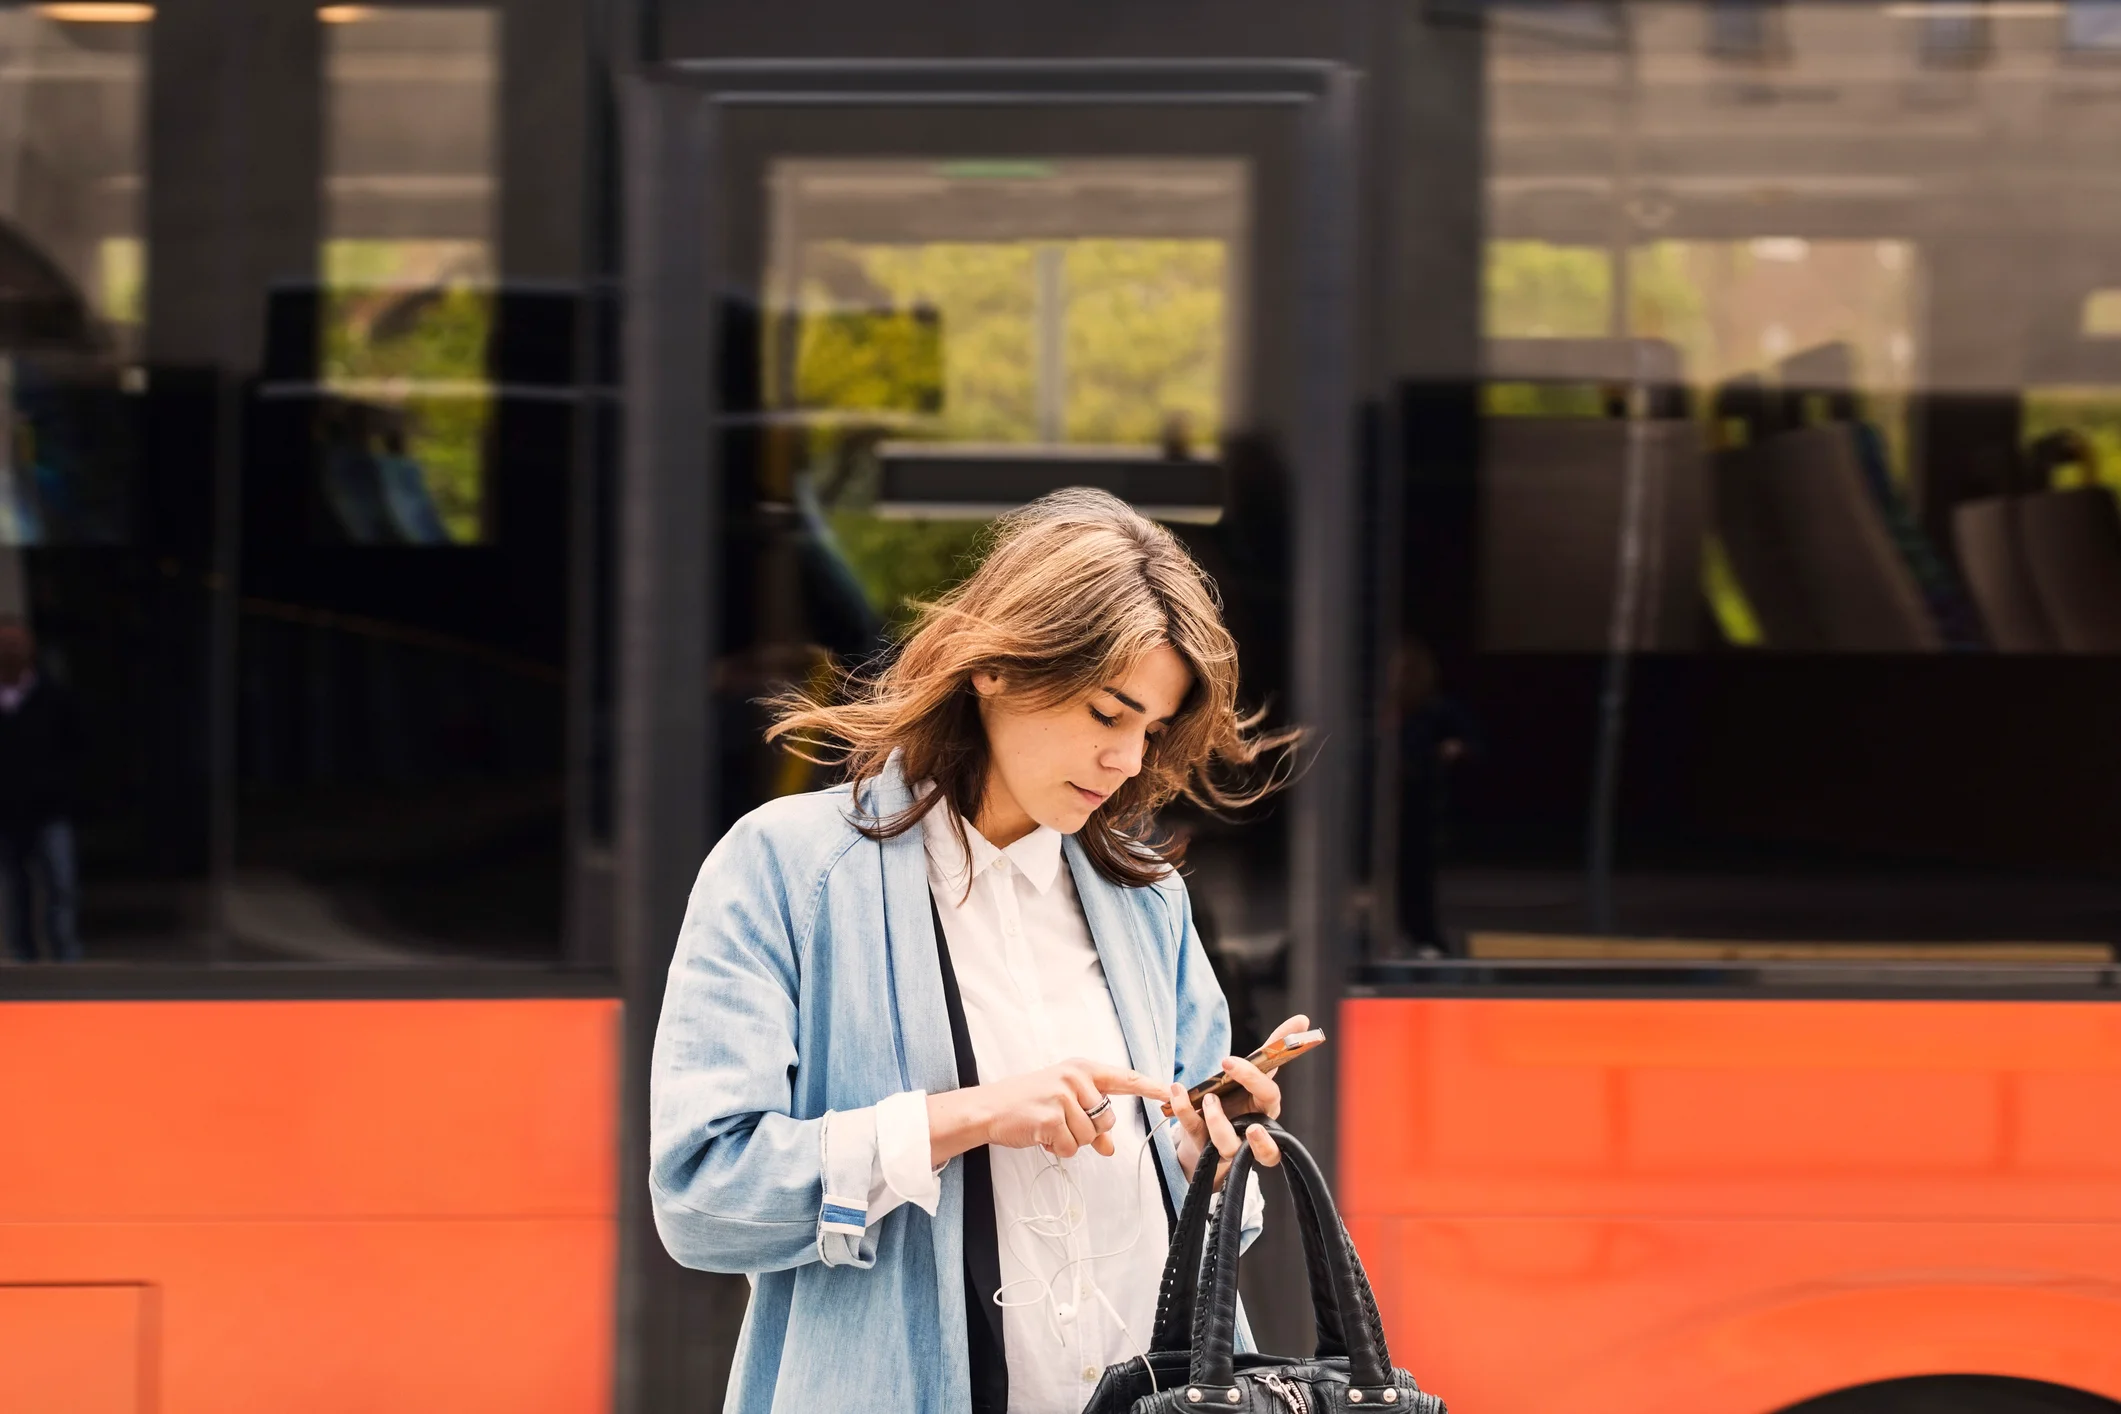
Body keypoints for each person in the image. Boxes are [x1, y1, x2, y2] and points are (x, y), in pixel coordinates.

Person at [650, 488, 1306, 1414]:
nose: (1127, 760)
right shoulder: (787, 870)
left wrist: (1208, 1152)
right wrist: (967, 1116)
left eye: (1151, 731)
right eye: (1106, 714)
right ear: (994, 670)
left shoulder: (1147, 902)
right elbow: (704, 1201)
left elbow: (1206, 1238)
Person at [0, 615, 83, 962]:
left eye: (18, 642)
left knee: (60, 888)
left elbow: (78, 750)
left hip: (51, 811)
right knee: (15, 890)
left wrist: (62, 791)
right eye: (5, 644)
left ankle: (65, 955)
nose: (12, 649)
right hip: (7, 813)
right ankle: (23, 958)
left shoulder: (54, 697)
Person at [1390, 636, 1479, 956]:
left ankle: (1424, 936)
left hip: (1422, 800)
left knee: (1417, 873)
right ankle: (1401, 935)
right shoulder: (1389, 712)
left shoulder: (1435, 709)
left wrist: (1449, 751)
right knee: (1394, 875)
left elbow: (1469, 742)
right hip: (1392, 803)